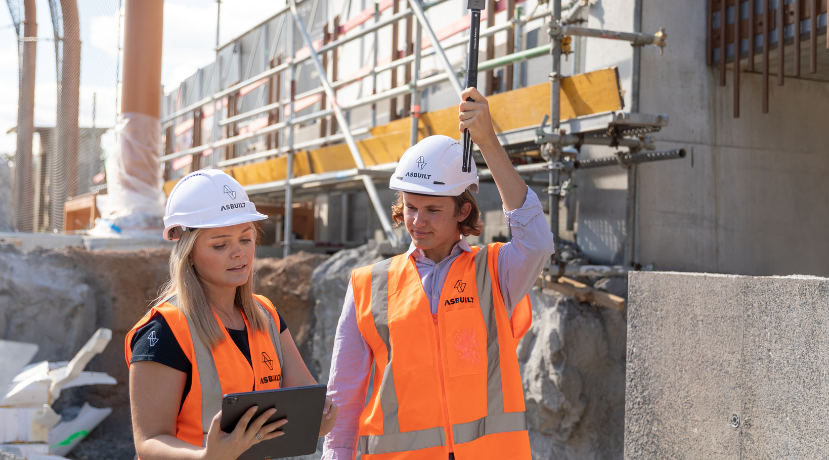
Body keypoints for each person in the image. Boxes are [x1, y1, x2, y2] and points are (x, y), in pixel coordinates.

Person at [321, 87, 554, 460]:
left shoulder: (494, 273)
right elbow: (343, 396)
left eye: (432, 209)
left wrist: (489, 143)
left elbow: (537, 241)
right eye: (411, 207)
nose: (418, 221)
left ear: (463, 211)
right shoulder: (368, 285)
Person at [125, 170, 338, 460]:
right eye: (220, 244)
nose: (239, 253)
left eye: (246, 239)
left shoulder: (266, 315)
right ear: (188, 251)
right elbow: (148, 441)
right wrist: (205, 457)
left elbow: (305, 397)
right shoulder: (164, 330)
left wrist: (321, 415)